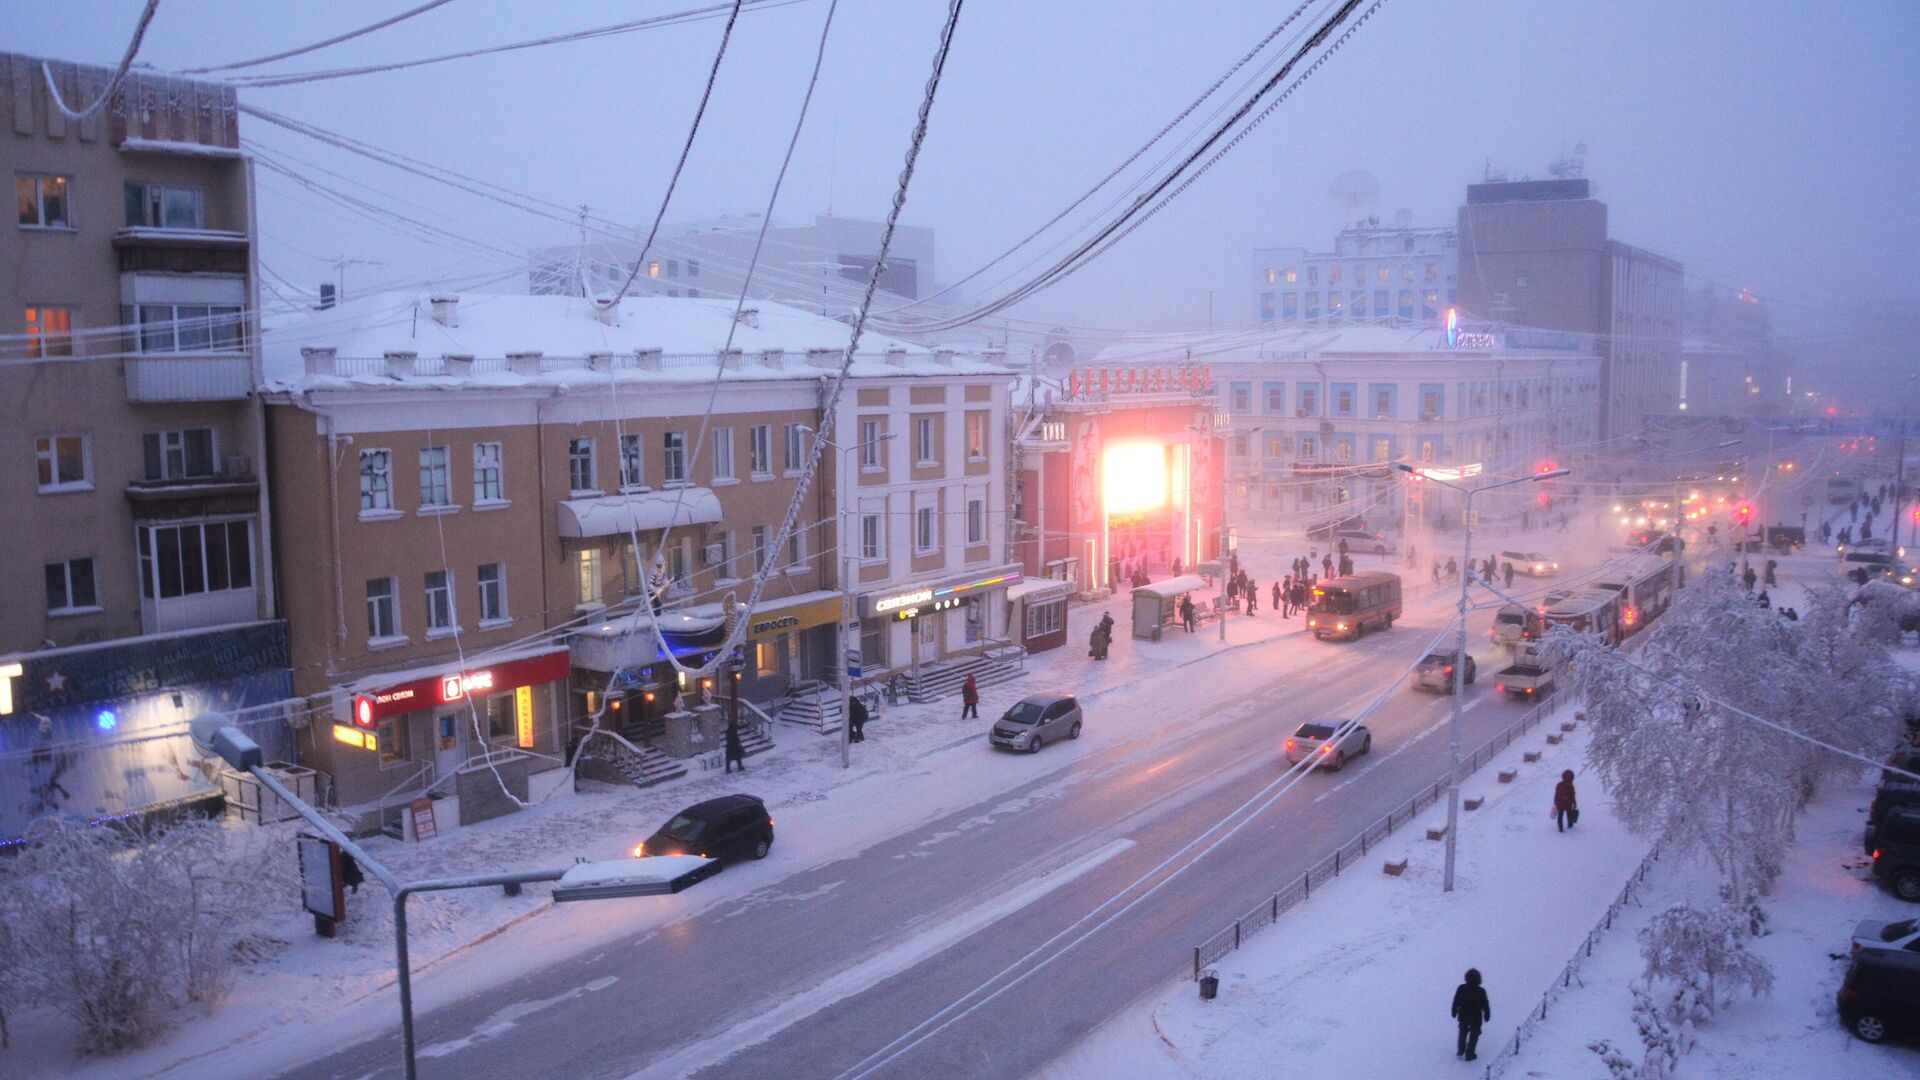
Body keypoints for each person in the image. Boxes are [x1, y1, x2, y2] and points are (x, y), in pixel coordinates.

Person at [1452, 969, 1491, 1061]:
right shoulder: (1481, 991)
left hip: (1463, 1015)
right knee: (1474, 1035)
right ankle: (1470, 1053)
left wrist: (1454, 1011)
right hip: (1476, 1017)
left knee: (1462, 1033)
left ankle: (1461, 1050)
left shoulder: (1461, 988)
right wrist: (1487, 1014)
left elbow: (1456, 1001)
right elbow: (1485, 1004)